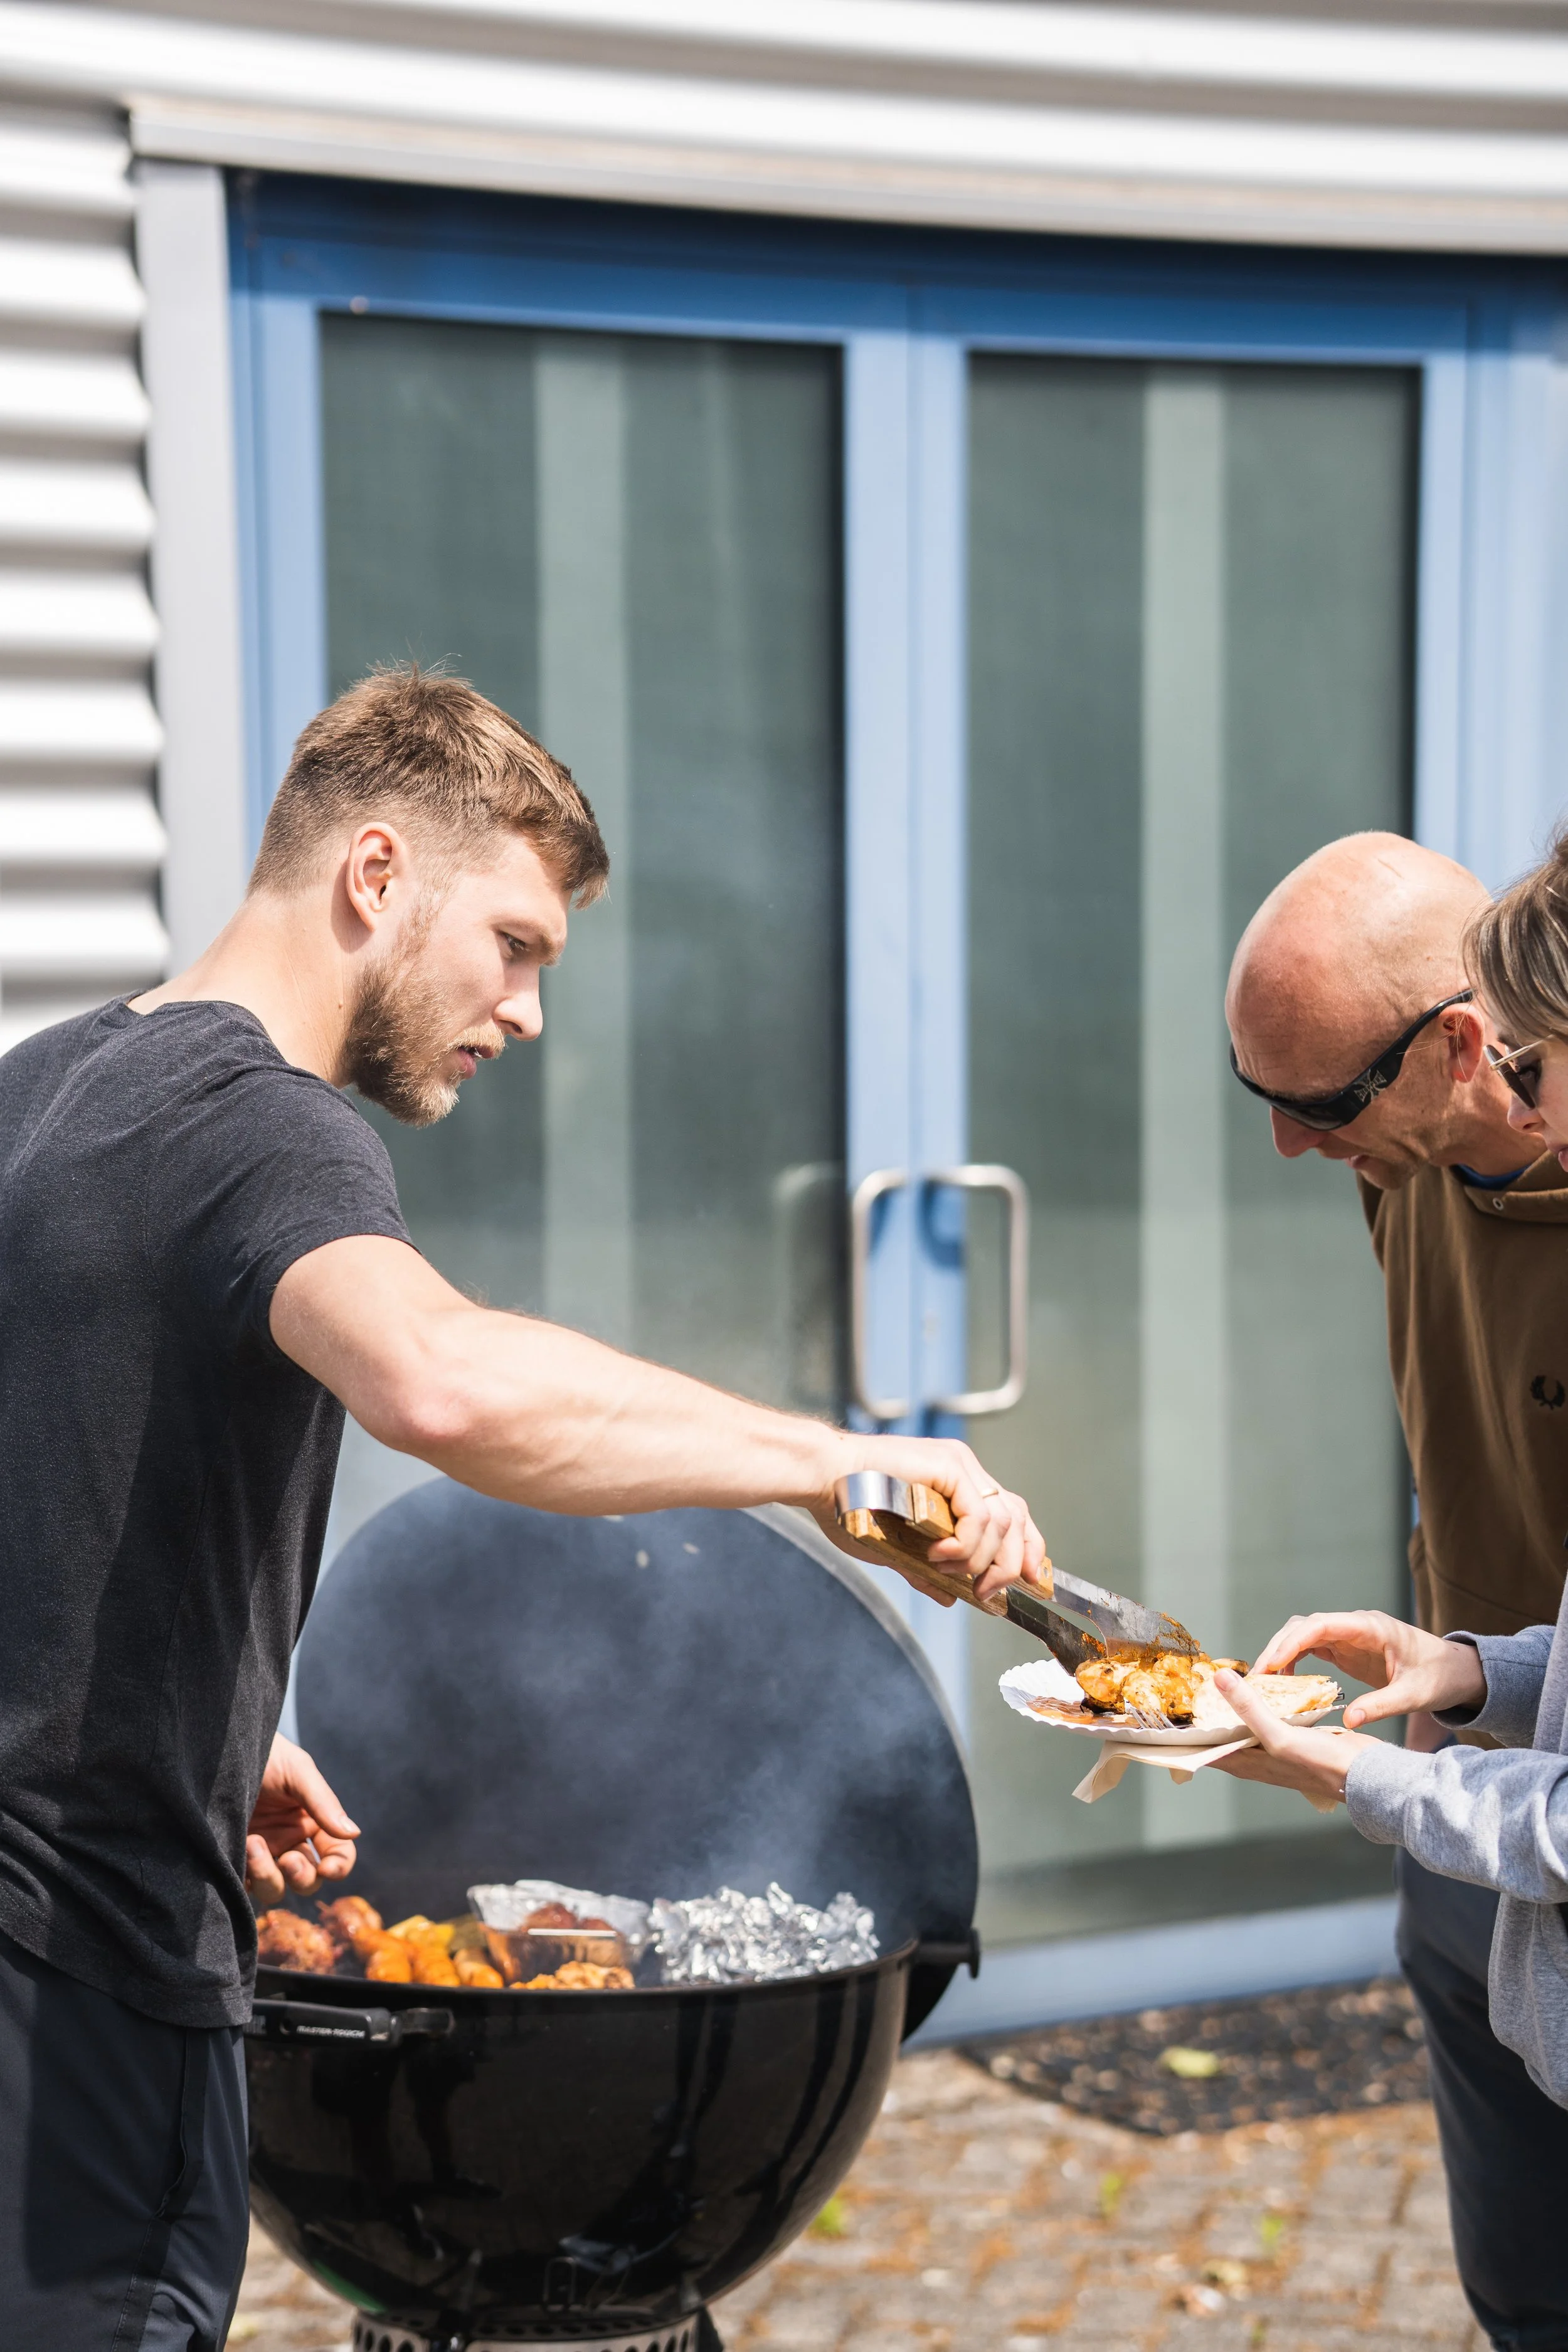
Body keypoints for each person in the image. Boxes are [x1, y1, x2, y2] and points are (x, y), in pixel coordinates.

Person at [0, 667, 1044, 2349]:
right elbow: (449, 1386)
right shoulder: (265, 1127)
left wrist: (202, 1712)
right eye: (516, 943)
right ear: (378, 873)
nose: (527, 1008)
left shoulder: (49, 1085)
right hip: (81, 1990)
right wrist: (833, 1459)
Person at [1224, 830, 1568, 2352]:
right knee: (1523, 2296)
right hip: (1466, 1798)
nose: (1290, 1150)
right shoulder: (1401, 1161)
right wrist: (1459, 1667)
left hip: (1522, 1815)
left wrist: (1355, 1773)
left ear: (1461, 1044)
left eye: (1312, 1107)